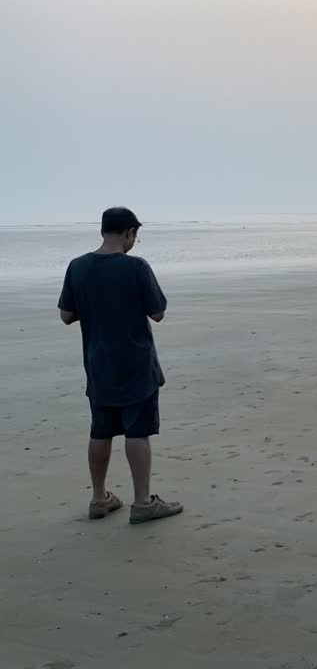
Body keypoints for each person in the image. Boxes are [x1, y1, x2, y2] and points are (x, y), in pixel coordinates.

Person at [58, 207, 183, 524]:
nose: (134, 242)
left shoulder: (78, 267)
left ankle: (99, 499)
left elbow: (66, 315)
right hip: (136, 363)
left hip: (98, 363)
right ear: (129, 232)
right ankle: (142, 503)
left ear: (103, 230)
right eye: (135, 236)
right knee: (137, 431)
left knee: (100, 431)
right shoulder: (135, 267)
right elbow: (157, 312)